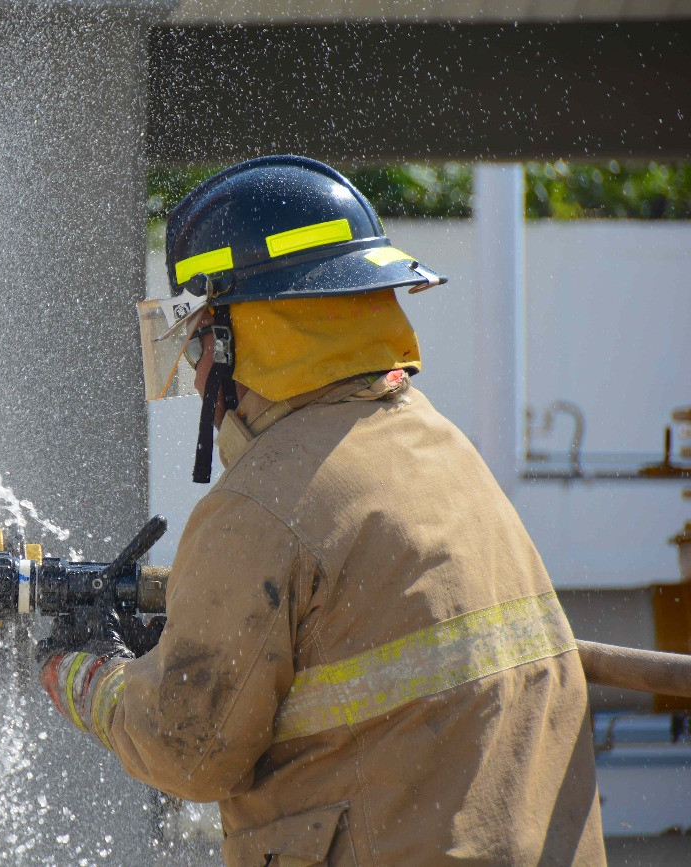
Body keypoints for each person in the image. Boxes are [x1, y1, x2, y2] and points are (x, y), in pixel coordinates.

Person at [37, 156, 605, 866]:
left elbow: (183, 748)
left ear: (241, 337)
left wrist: (82, 671)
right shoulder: (442, 449)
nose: (199, 369)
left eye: (201, 339)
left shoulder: (260, 506)